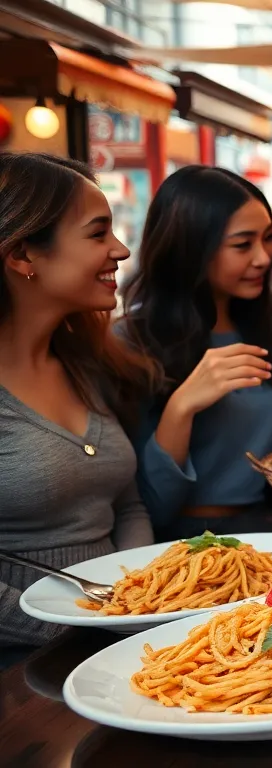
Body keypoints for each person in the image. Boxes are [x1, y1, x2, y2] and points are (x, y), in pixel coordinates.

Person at [119, 167, 272, 539]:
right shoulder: (131, 341)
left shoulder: (260, 331)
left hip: (269, 531)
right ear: (189, 248)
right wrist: (183, 405)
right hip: (182, 546)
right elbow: (146, 504)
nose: (264, 257)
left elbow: (248, 454)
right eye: (242, 244)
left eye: (269, 239)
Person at [0, 153, 154, 647]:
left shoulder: (87, 364)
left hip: (121, 636)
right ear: (23, 255)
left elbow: (127, 506)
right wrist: (76, 634)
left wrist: (140, 600)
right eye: (97, 234)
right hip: (25, 674)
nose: (122, 250)